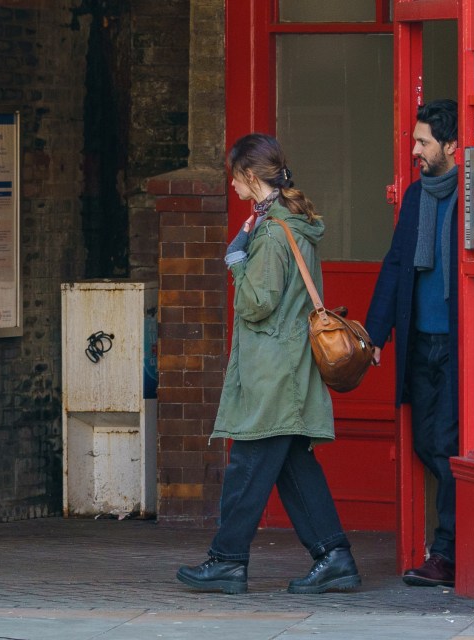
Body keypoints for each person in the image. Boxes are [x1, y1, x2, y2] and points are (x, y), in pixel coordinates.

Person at [176, 133, 360, 595]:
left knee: (248, 465)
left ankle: (226, 561)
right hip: (286, 366)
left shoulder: (274, 234)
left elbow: (258, 303)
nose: (232, 186)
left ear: (250, 177)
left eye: (235, 177)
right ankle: (333, 557)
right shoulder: (284, 223)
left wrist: (236, 263)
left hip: (273, 370)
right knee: (294, 466)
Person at [365, 99, 459, 587]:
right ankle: (453, 545)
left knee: (446, 445)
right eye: (415, 141)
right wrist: (375, 334)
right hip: (420, 342)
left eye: (423, 142)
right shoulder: (418, 198)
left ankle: (447, 552)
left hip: (461, 346)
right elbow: (396, 265)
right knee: (427, 443)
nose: (416, 151)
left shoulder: (472, 194)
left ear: (451, 145)